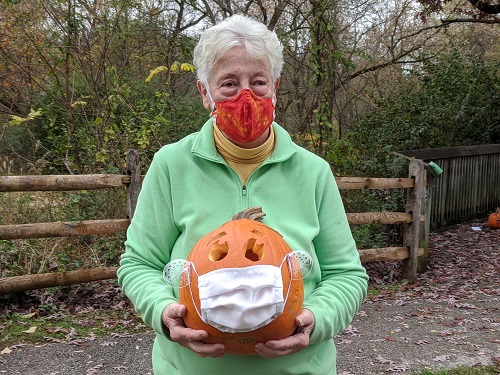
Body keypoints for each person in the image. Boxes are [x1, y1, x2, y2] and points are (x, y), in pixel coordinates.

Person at [117, 14, 368, 375]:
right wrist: (162, 311)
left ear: (275, 87)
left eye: (259, 82)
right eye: (229, 84)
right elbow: (139, 263)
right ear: (206, 93)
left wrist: (318, 319)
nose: (246, 95)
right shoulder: (171, 165)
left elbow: (347, 274)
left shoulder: (313, 172)